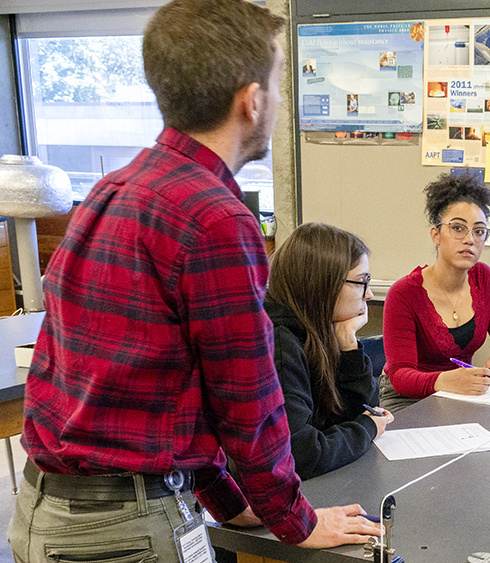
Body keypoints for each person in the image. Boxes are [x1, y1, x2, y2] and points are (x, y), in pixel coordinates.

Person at [8, 1, 381, 560]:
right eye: (279, 88)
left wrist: (233, 504)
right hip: (128, 527)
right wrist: (295, 520)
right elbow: (245, 402)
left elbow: (172, 394)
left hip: (46, 511)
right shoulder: (217, 219)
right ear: (251, 102)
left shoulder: (114, 189)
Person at [380, 173, 490, 412]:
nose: (469, 239)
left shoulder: (485, 278)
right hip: (407, 399)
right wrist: (444, 380)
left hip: (458, 395)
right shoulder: (404, 293)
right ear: (435, 235)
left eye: (479, 231)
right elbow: (400, 375)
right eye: (458, 228)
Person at [265, 223, 394, 480]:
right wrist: (367, 428)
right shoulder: (279, 344)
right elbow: (301, 455)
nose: (369, 295)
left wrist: (348, 343)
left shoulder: (316, 330)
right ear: (324, 283)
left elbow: (359, 411)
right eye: (362, 282)